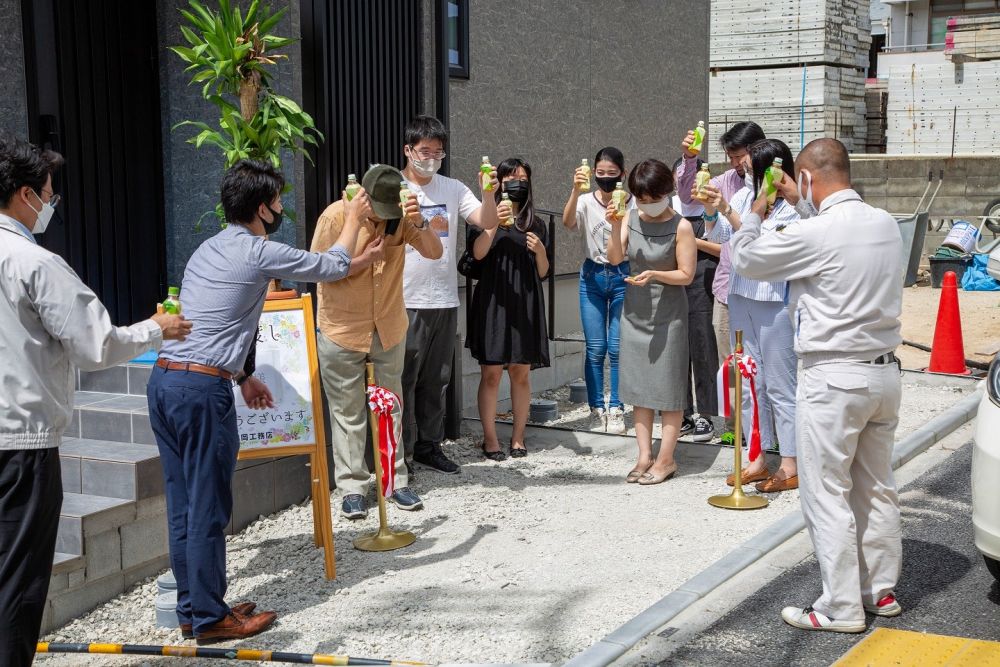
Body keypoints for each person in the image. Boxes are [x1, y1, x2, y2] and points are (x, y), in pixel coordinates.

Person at [147, 159, 366, 643]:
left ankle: (195, 608)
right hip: (201, 391)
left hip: (166, 382)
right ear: (262, 207)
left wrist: (244, 375)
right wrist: (352, 220)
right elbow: (331, 266)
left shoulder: (208, 247)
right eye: (278, 200)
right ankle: (210, 619)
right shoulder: (255, 251)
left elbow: (215, 317)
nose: (282, 207)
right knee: (207, 506)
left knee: (184, 505)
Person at [0, 135, 191, 666]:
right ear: (24, 195)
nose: (51, 205)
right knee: (16, 580)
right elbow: (96, 343)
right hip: (21, 442)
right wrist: (156, 328)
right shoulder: (33, 262)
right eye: (49, 194)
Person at [729, 138, 904, 633]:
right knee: (875, 487)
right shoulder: (885, 224)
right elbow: (827, 230)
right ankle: (880, 591)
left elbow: (747, 258)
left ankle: (840, 607)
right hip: (884, 372)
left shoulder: (818, 232)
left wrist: (760, 211)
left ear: (805, 179)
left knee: (826, 492)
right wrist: (803, 202)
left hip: (833, 376)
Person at [313, 165, 442, 519]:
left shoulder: (403, 216)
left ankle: (394, 480)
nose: (386, 219)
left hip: (388, 325)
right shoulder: (335, 216)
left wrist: (420, 222)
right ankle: (352, 487)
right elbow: (318, 270)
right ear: (363, 197)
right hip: (341, 327)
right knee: (347, 412)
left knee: (391, 407)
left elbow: (434, 253)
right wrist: (362, 262)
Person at [400, 116, 500, 475]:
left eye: (438, 152)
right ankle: (401, 454)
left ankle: (430, 446)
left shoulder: (453, 188)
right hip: (403, 300)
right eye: (424, 151)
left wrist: (489, 192)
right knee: (403, 379)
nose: (431, 158)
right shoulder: (393, 187)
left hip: (444, 298)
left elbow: (486, 221)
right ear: (408, 150)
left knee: (436, 379)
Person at [699, 138, 800, 494]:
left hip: (775, 300)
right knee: (748, 380)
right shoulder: (745, 196)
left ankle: (790, 462)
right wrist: (715, 209)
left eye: (750, 167)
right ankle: (757, 456)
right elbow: (724, 236)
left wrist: (735, 212)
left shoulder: (794, 207)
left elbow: (760, 241)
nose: (742, 170)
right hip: (740, 294)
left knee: (780, 383)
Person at [607, 159, 696, 484]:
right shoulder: (629, 218)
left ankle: (666, 458)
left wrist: (655, 274)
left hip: (668, 315)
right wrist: (616, 226)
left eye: (651, 198)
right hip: (636, 312)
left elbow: (686, 275)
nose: (646, 205)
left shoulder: (681, 226)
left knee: (668, 387)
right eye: (641, 199)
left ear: (666, 192)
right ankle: (644, 454)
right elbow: (615, 258)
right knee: (639, 387)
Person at [677, 121, 766, 442]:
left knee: (766, 361)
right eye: (729, 156)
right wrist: (689, 160)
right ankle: (735, 427)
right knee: (730, 359)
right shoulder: (728, 181)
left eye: (736, 156)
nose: (733, 163)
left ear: (755, 150)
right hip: (729, 284)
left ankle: (766, 428)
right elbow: (690, 197)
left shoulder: (773, 184)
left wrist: (722, 211)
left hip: (769, 289)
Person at [467, 158, 550, 459]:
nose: (517, 184)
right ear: (498, 182)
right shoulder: (483, 216)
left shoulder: (534, 223)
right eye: (511, 179)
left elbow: (543, 272)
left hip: (525, 301)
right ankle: (490, 439)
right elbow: (475, 257)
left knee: (521, 373)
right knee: (490, 373)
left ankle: (518, 438)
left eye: (523, 179)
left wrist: (540, 250)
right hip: (492, 301)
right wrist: (491, 225)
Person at [562, 147, 634, 434]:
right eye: (600, 174)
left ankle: (617, 407)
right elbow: (568, 223)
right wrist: (573, 190)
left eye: (612, 174)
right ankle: (596, 408)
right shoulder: (585, 200)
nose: (605, 179)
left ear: (623, 175)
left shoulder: (632, 202)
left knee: (617, 347)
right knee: (595, 348)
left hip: (623, 275)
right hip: (591, 274)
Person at [671, 156, 718, 443]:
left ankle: (707, 415)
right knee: (677, 349)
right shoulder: (669, 206)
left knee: (703, 347)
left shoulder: (710, 206)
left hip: (703, 280)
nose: (690, 184)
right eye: (683, 178)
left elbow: (724, 248)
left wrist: (690, 239)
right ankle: (683, 412)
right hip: (673, 281)